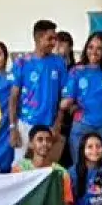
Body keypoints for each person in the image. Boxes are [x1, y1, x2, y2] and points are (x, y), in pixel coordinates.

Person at [8, 20, 68, 166]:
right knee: (19, 165)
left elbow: (64, 95)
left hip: (49, 126)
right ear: (38, 38)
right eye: (50, 38)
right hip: (25, 124)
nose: (54, 42)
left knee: (47, 167)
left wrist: (58, 124)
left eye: (55, 38)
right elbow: (13, 98)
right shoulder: (21, 63)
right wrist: (13, 128)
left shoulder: (59, 63)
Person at [61, 32, 102, 163]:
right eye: (91, 47)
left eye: (99, 48)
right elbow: (66, 102)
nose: (94, 52)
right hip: (82, 125)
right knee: (80, 167)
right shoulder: (76, 71)